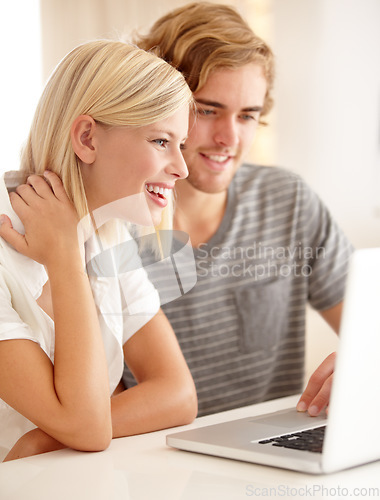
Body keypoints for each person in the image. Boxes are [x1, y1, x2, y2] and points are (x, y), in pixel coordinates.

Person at [122, 2, 354, 417]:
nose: (229, 138)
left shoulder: (289, 202)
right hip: (146, 466)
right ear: (154, 103)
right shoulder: (111, 228)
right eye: (207, 110)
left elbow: (368, 329)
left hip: (269, 455)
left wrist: (367, 362)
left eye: (247, 115)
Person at [0, 40, 197, 462]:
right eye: (162, 141)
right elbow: (87, 428)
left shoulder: (110, 233)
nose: (182, 167)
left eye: (180, 143)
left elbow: (178, 394)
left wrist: (43, 440)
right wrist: (66, 259)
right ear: (87, 138)